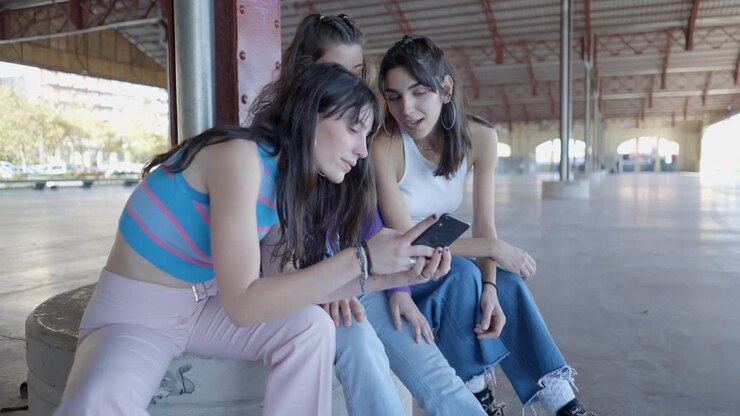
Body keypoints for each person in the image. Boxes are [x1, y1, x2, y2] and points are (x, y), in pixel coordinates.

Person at [53, 63, 448, 416]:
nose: (363, 151)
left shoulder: (286, 183)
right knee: (94, 406)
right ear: (311, 116)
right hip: (136, 314)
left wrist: (396, 275)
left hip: (200, 308)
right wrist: (361, 258)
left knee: (311, 327)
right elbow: (243, 303)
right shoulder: (239, 156)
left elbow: (281, 287)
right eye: (353, 129)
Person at [250, 14, 488, 416]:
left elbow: (365, 212)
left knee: (432, 366)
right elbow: (271, 251)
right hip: (310, 283)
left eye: (358, 72)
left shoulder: (352, 129)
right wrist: (322, 287)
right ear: (307, 71)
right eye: (336, 72)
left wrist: (398, 290)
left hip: (354, 273)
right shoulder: (268, 144)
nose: (350, 84)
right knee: (360, 346)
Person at [372, 35, 596, 416]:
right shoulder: (386, 145)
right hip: (402, 275)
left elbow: (484, 226)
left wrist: (490, 283)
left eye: (419, 92)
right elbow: (405, 244)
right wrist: (492, 249)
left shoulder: (480, 137)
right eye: (394, 96)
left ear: (445, 89)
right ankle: (478, 396)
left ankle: (564, 404)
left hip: (444, 263)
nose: (405, 109)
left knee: (504, 282)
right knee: (462, 273)